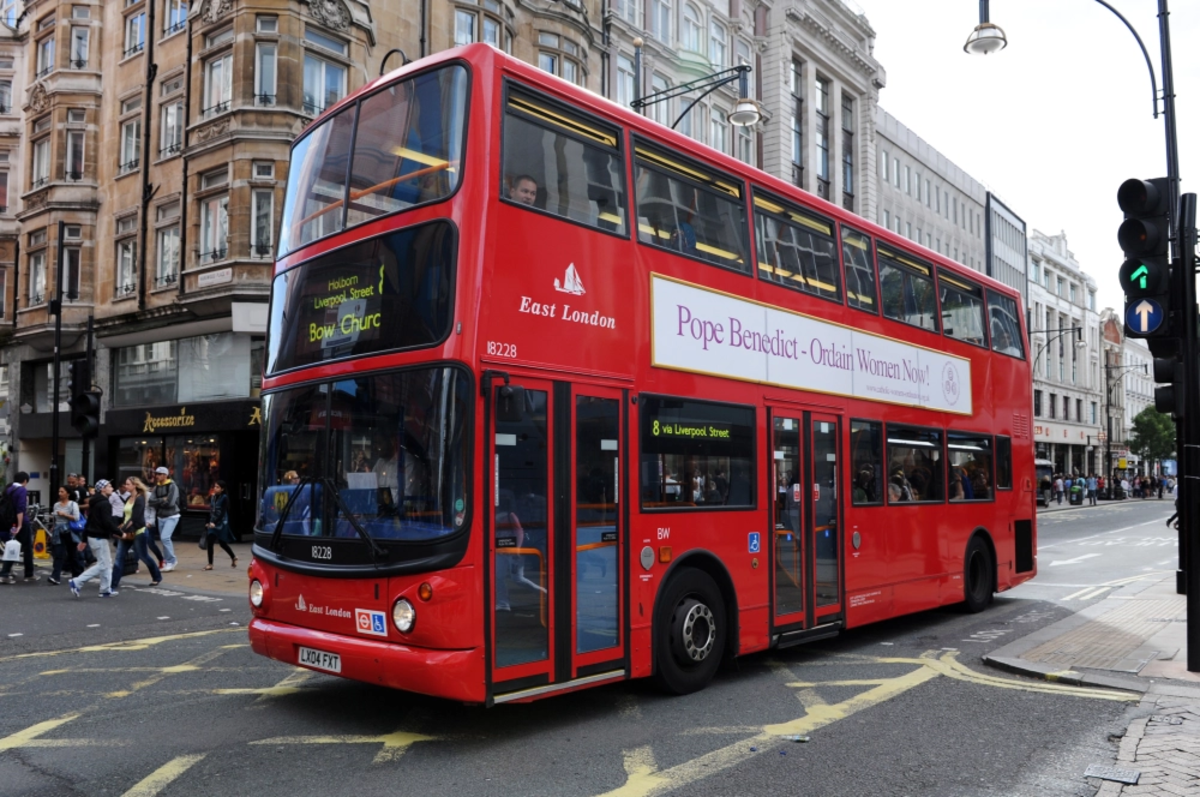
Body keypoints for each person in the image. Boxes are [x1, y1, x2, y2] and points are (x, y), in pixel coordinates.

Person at [70, 480, 121, 598]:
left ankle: (105, 589)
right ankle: (77, 582)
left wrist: (83, 540)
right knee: (103, 564)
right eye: (109, 486)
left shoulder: (95, 502)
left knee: (107, 563)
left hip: (94, 537)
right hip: (99, 537)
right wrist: (120, 533)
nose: (112, 488)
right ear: (102, 489)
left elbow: (89, 522)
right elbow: (107, 522)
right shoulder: (104, 504)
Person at [110, 477, 162, 591]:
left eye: (128, 484)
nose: (125, 486)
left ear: (134, 485)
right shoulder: (129, 497)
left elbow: (135, 518)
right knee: (119, 558)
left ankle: (157, 577)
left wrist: (122, 530)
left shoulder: (140, 499)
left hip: (138, 532)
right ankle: (113, 584)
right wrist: (121, 527)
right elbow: (126, 516)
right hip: (126, 531)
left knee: (144, 556)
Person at [0, 472, 35, 584]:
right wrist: (20, 525)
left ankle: (5, 573)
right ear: (25, 480)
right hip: (21, 522)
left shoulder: (9, 488)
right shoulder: (21, 490)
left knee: (12, 546)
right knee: (27, 548)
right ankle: (29, 574)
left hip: (9, 522)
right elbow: (20, 509)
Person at [48, 486, 84, 586]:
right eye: (59, 491)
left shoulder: (73, 504)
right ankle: (55, 577)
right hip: (58, 532)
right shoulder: (56, 505)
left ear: (68, 493)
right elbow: (55, 519)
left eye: (62, 491)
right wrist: (53, 527)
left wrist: (64, 514)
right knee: (58, 554)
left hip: (70, 531)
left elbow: (76, 518)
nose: (59, 493)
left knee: (73, 554)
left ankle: (77, 576)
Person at [147, 466, 181, 572]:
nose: (157, 476)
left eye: (159, 474)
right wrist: (162, 499)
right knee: (164, 539)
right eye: (156, 474)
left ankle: (172, 560)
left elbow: (170, 503)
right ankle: (167, 561)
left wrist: (159, 502)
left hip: (172, 515)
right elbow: (150, 501)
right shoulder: (157, 486)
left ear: (165, 475)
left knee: (165, 538)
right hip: (161, 516)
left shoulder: (172, 486)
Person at [203, 480, 238, 570]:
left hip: (222, 523)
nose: (215, 488)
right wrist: (208, 522)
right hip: (212, 522)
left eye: (217, 487)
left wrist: (215, 522)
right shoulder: (213, 497)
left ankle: (233, 557)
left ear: (222, 489)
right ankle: (210, 564)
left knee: (222, 544)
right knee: (210, 541)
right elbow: (211, 511)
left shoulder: (224, 498)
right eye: (215, 486)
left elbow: (223, 512)